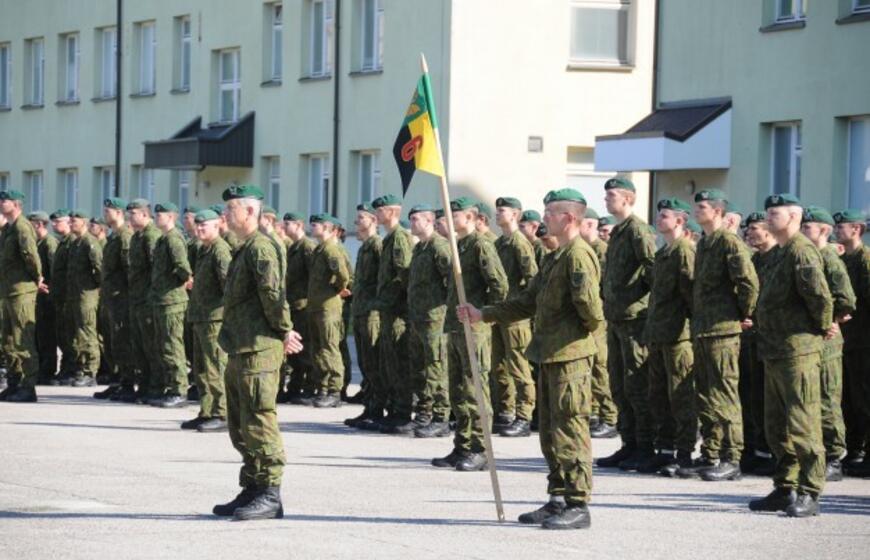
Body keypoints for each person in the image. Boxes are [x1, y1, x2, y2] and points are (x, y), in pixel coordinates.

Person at [459, 188, 603, 530]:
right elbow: (527, 301)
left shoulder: (578, 256)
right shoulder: (555, 256)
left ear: (568, 218)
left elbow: (592, 313)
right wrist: (484, 314)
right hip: (550, 353)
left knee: (570, 429)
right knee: (550, 433)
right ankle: (557, 498)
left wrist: (574, 335)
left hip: (570, 356)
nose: (543, 218)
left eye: (550, 212)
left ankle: (578, 503)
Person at [211, 184, 301, 521]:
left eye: (231, 208)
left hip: (259, 347)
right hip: (240, 345)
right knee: (240, 424)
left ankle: (269, 492)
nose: (225, 214)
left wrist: (284, 330)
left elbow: (273, 295)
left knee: (259, 419)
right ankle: (251, 486)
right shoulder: (244, 247)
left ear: (250, 211)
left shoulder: (262, 248)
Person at [749, 194, 833, 517]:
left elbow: (820, 299)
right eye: (768, 213)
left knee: (803, 423)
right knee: (776, 426)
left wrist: (821, 329)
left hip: (797, 351)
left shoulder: (801, 250)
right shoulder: (779, 252)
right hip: (774, 350)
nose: (769, 218)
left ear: (794, 217)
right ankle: (785, 487)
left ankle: (810, 490)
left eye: (775, 213)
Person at [677, 189, 759, 481]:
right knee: (707, 394)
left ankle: (731, 457)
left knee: (724, 393)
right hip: (704, 329)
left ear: (718, 212)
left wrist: (743, 314)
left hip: (723, 329)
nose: (697, 211)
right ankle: (711, 452)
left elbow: (748, 282)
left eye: (702, 207)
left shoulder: (728, 241)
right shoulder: (705, 243)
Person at [431, 196, 507, 472]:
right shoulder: (459, 245)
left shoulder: (480, 245)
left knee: (475, 389)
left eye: (457, 214)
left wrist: (486, 313)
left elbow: (499, 285)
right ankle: (463, 443)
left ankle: (480, 448)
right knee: (458, 389)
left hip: (474, 327)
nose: (451, 219)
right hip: (455, 324)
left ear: (473, 218)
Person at [597, 177, 657, 471]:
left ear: (628, 199)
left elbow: (652, 270)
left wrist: (640, 300)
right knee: (619, 384)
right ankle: (628, 443)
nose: (606, 200)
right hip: (616, 318)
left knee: (637, 384)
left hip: (635, 319)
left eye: (611, 196)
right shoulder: (619, 231)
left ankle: (645, 446)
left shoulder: (637, 230)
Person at [642, 198, 697, 475]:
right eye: (659, 215)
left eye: (665, 216)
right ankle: (664, 450)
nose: (660, 219)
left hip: (678, 336)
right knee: (659, 395)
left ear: (679, 221)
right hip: (659, 333)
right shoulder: (663, 253)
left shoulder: (684, 251)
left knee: (681, 396)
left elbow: (690, 293)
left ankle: (684, 452)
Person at [801, 206, 856, 481]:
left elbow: (846, 299)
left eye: (808, 226)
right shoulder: (805, 255)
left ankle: (836, 456)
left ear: (823, 230)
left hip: (829, 341)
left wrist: (834, 319)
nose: (803, 230)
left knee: (827, 398)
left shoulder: (829, 258)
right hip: (809, 338)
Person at [491, 196, 538, 437]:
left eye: (503, 211)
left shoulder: (520, 243)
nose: (497, 214)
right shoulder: (500, 243)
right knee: (498, 366)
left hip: (516, 316)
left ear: (515, 215)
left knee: (519, 366)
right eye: (497, 210)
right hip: (499, 312)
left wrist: (525, 305)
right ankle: (505, 411)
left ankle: (524, 415)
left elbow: (533, 278)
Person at [182, 209, 232, 432]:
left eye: (205, 225)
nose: (200, 228)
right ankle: (206, 410)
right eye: (198, 225)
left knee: (215, 366)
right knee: (201, 368)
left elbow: (228, 287)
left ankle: (221, 413)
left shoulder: (220, 251)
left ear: (217, 226)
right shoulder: (204, 250)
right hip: (200, 317)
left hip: (214, 319)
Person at [406, 204, 452, 437]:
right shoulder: (420, 248)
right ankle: (424, 412)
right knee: (419, 367)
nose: (412, 223)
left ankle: (441, 416)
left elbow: (452, 279)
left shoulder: (439, 246)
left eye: (415, 219)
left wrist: (445, 306)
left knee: (436, 366)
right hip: (418, 316)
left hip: (435, 318)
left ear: (428, 221)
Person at [740, 212, 779, 476]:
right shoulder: (755, 259)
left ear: (768, 231)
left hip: (774, 338)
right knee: (752, 396)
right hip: (753, 338)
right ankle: (756, 449)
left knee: (771, 398)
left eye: (754, 229)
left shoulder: (781, 257)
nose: (749, 233)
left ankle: (772, 453)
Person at [372, 194, 414, 432]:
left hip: (398, 311)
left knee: (399, 361)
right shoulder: (389, 238)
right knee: (390, 361)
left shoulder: (399, 238)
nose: (376, 215)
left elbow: (404, 274)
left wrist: (396, 300)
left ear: (392, 212)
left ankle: (403, 411)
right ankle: (394, 409)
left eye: (380, 211)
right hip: (388, 309)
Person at [833, 208, 870, 477]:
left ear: (856, 229)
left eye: (841, 227)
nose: (837, 231)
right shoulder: (843, 259)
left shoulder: (865, 259)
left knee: (865, 399)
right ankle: (854, 450)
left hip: (864, 340)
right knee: (849, 399)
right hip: (847, 341)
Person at [578, 208, 618, 439]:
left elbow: (604, 285)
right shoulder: (585, 249)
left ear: (590, 225)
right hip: (588, 316)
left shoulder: (601, 250)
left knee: (601, 367)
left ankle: (608, 416)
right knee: (591, 368)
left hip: (599, 315)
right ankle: (594, 413)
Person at [148, 202, 193, 407]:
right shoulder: (162, 239)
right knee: (162, 346)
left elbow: (183, 268)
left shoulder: (174, 239)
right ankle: (168, 386)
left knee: (173, 346)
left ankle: (179, 389)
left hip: (172, 301)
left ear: (171, 217)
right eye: (156, 214)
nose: (156, 217)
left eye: (161, 215)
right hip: (161, 299)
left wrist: (179, 284)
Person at [0, 190, 42, 402]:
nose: (0, 203)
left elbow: (31, 255)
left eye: (4, 200)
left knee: (23, 339)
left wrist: (37, 277)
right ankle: (14, 381)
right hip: (8, 290)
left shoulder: (22, 227)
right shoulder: (8, 228)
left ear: (16, 204)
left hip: (22, 291)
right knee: (8, 340)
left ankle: (29, 386)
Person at [306, 213, 351, 408]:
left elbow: (342, 275)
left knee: (329, 347)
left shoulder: (331, 250)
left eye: (316, 224)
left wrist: (338, 290)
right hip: (316, 305)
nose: (312, 227)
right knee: (317, 348)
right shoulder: (319, 249)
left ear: (327, 228)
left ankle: (334, 389)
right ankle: (322, 387)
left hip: (328, 306)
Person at [345, 203, 383, 428]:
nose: (356, 223)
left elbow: (383, 280)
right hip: (361, 312)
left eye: (361, 218)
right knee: (366, 364)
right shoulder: (364, 247)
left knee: (373, 363)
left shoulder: (377, 246)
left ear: (373, 221)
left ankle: (376, 409)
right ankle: (369, 406)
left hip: (372, 314)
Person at [95, 198, 134, 400]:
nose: (105, 213)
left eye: (108, 210)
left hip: (121, 298)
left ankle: (127, 383)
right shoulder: (113, 237)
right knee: (112, 341)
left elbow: (129, 270)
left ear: (119, 213)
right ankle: (117, 380)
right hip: (111, 297)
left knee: (121, 341)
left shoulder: (125, 237)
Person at [126, 199, 164, 403]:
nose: (129, 218)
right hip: (138, 298)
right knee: (140, 345)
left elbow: (154, 270)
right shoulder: (137, 237)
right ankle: (144, 384)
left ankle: (156, 386)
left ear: (144, 215)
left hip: (148, 299)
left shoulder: (151, 236)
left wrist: (151, 296)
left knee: (151, 346)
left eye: (132, 214)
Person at [66, 210, 103, 387]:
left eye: (74, 221)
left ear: (84, 223)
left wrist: (95, 287)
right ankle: (81, 368)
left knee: (88, 331)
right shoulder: (76, 243)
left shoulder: (90, 242)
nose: (71, 224)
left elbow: (99, 268)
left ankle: (91, 371)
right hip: (76, 293)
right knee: (78, 332)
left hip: (87, 294)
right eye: (71, 221)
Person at [28, 211, 58, 385]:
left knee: (47, 334)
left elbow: (54, 271)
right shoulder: (39, 243)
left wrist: (52, 292)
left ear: (39, 224)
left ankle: (48, 370)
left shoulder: (49, 243)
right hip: (38, 295)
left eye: (31, 223)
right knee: (40, 333)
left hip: (47, 295)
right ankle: (42, 368)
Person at [49, 209, 76, 385]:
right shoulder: (63, 242)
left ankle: (73, 369)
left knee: (71, 335)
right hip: (61, 295)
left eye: (57, 221)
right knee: (63, 335)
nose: (54, 225)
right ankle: (66, 368)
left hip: (70, 295)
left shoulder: (72, 242)